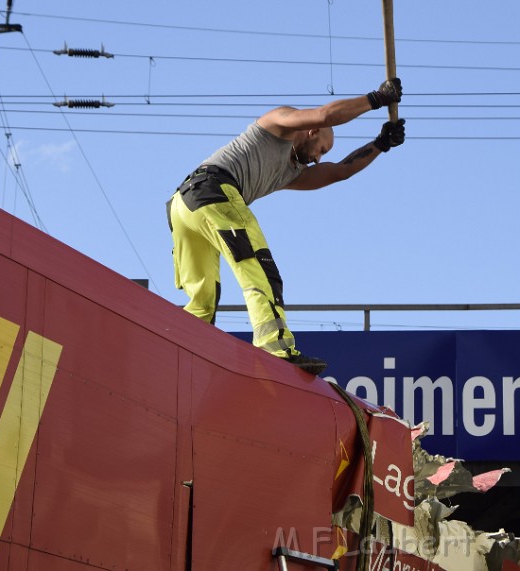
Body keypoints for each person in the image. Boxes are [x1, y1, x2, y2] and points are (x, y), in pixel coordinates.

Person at [167, 78, 404, 374]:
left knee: (203, 299)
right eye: (322, 149)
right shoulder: (278, 122)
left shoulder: (290, 172)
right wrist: (377, 99)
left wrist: (380, 144)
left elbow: (339, 172)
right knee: (260, 271)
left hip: (183, 205)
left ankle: (174, 341)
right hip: (215, 192)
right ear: (312, 131)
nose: (318, 159)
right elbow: (325, 114)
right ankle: (275, 347)